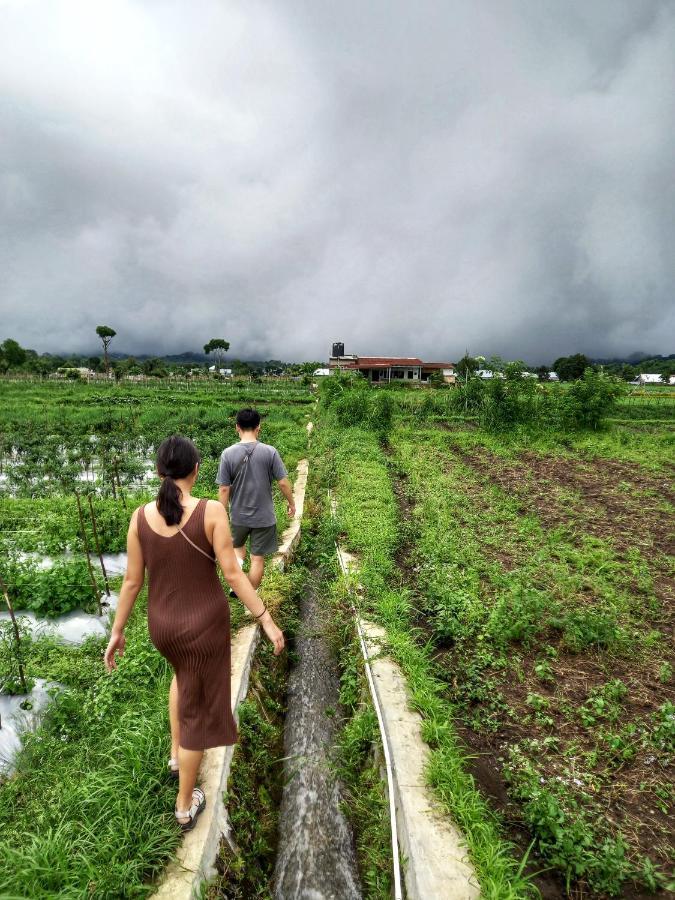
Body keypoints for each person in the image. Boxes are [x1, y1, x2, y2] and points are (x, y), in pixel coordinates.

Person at [103, 435, 284, 832]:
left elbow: (132, 582)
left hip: (163, 629)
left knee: (182, 679)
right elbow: (233, 574)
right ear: (196, 470)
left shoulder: (139, 517)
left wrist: (117, 632)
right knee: (198, 714)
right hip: (202, 628)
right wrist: (266, 620)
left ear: (158, 472)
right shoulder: (212, 511)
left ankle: (175, 754)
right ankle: (185, 805)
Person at [217, 408, 295, 592]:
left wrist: (222, 514)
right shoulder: (270, 452)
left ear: (237, 427)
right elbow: (283, 483)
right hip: (264, 517)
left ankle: (236, 589)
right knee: (257, 558)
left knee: (237, 549)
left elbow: (223, 488)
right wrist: (291, 503)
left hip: (238, 516)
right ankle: (249, 597)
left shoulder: (227, 454)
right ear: (258, 427)